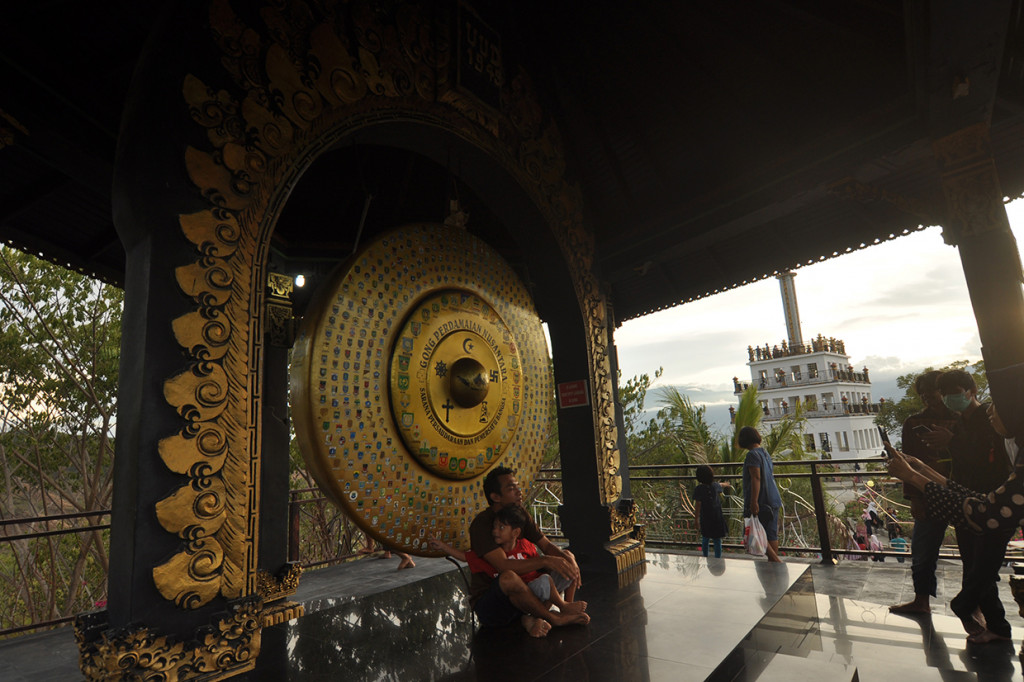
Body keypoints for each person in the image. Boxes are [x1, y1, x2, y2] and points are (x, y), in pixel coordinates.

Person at [887, 381, 1014, 645]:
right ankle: (992, 623)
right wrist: (920, 470)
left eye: (997, 412)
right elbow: (975, 499)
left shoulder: (986, 430)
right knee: (979, 565)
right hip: (985, 501)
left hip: (991, 505)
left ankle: (973, 610)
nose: (991, 414)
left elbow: (983, 509)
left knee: (980, 566)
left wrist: (914, 474)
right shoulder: (938, 421)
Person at [467, 466, 589, 636]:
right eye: (511, 488)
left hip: (526, 594)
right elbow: (503, 566)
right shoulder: (482, 525)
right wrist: (545, 560)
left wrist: (570, 562)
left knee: (565, 556)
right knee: (509, 577)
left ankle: (558, 611)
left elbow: (546, 545)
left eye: (517, 486)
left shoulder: (519, 515)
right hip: (495, 603)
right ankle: (551, 618)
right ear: (495, 497)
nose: (519, 491)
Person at [432, 506, 585, 622]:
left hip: (539, 590)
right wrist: (443, 547)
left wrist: (562, 563)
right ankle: (561, 607)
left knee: (566, 566)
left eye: (501, 527)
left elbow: (538, 564)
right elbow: (465, 557)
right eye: (494, 527)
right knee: (546, 581)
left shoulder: (525, 545)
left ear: (515, 533)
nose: (495, 531)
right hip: (520, 595)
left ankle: (567, 607)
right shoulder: (492, 555)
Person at [889, 370, 957, 615]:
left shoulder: (964, 421)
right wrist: (914, 498)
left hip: (962, 490)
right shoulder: (913, 423)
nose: (928, 396)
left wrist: (953, 439)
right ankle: (921, 601)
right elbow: (909, 463)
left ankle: (979, 603)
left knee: (974, 552)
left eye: (933, 390)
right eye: (923, 393)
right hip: (925, 494)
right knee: (922, 551)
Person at [739, 426, 782, 562]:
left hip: (762, 500)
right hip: (773, 498)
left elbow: (756, 478)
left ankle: (776, 561)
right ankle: (774, 564)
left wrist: (753, 501)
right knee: (771, 534)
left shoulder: (752, 455)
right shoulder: (764, 452)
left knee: (759, 531)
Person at [693, 464, 729, 558]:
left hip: (705, 517)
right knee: (717, 540)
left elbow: (698, 505)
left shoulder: (699, 489)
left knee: (705, 538)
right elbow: (720, 485)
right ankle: (718, 558)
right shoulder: (715, 486)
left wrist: (696, 519)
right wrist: (726, 484)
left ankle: (705, 556)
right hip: (717, 517)